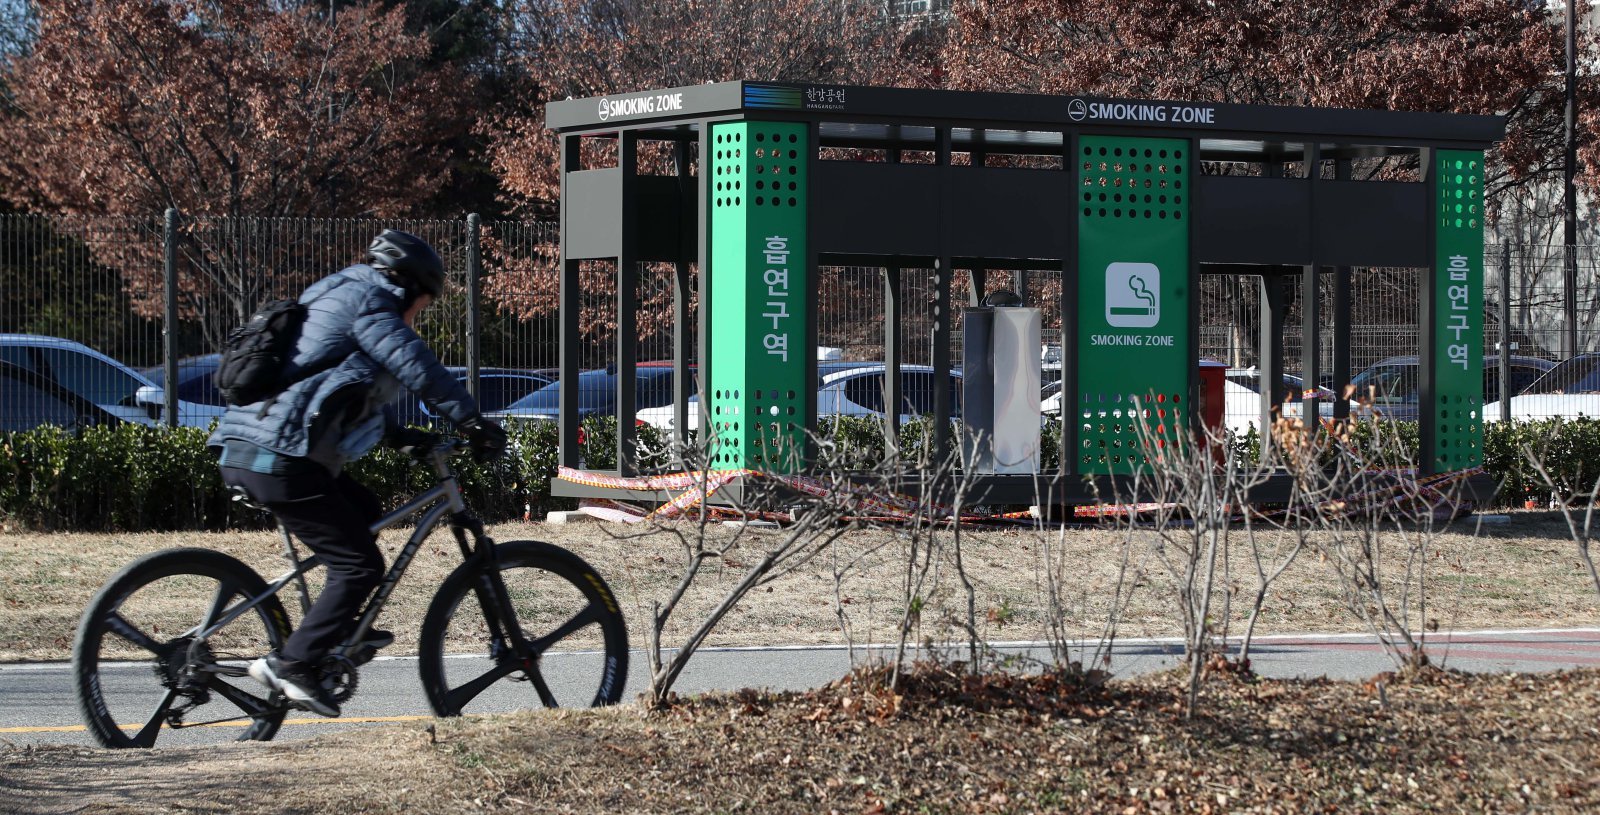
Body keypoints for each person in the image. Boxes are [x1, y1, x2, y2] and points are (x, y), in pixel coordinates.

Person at [209, 229, 507, 717]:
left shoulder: (339, 292)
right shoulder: (373, 303)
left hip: (256, 447)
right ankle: (293, 663)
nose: (417, 318)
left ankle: (336, 630)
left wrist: (403, 435)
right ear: (410, 287)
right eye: (423, 307)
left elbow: (331, 386)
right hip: (278, 456)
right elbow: (415, 364)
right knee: (359, 565)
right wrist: (471, 421)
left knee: (365, 511)